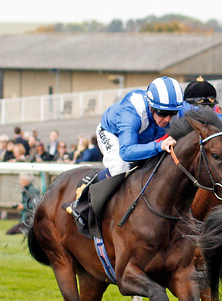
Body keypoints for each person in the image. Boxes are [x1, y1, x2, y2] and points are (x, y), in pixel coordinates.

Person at [67, 76, 184, 224]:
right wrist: (158, 146)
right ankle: (83, 201)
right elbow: (127, 152)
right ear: (151, 106)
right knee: (120, 165)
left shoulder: (173, 107)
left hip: (141, 136)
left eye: (172, 114)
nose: (167, 119)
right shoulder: (132, 112)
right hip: (111, 134)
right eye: (162, 113)